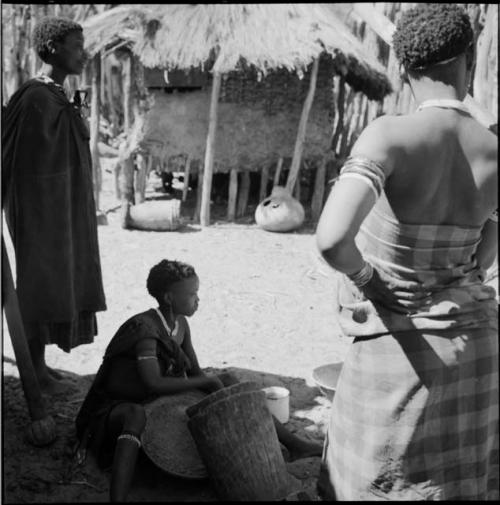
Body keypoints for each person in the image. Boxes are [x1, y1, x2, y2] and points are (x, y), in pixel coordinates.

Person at [315, 4, 498, 501]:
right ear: (470, 54)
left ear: (401, 67)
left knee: (377, 483)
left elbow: (333, 239)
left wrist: (372, 282)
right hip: (475, 348)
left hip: (398, 347)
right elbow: (488, 251)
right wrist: (455, 278)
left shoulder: (388, 136)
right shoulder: (494, 150)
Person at [75, 259, 322, 502]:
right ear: (169, 298)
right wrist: (206, 383)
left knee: (229, 381)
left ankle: (293, 444)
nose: (198, 300)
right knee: (135, 415)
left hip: (159, 400)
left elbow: (194, 373)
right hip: (117, 407)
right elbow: (154, 383)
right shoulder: (145, 331)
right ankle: (117, 497)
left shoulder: (180, 324)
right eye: (192, 294)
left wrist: (217, 383)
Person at [2, 17, 107, 394]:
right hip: (41, 213)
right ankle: (36, 372)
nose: (84, 53)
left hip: (65, 209)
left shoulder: (58, 95)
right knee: (39, 284)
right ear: (53, 49)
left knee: (60, 281)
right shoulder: (34, 97)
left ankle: (41, 365)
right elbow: (18, 161)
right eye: (76, 46)